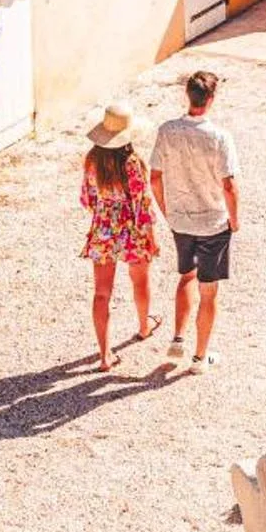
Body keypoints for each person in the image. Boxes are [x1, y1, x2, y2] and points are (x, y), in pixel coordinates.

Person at [150, 70, 239, 374]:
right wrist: (235, 220)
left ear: (187, 95)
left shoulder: (167, 131)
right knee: (209, 290)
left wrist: (167, 211)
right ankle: (200, 358)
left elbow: (155, 177)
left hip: (181, 220)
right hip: (213, 222)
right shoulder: (219, 137)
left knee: (186, 275)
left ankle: (177, 337)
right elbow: (229, 186)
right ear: (211, 99)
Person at [81, 109, 159, 369]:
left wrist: (105, 213)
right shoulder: (132, 163)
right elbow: (143, 204)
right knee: (140, 281)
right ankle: (144, 326)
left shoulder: (91, 161)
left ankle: (104, 355)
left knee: (102, 293)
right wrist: (151, 238)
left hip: (104, 227)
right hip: (132, 228)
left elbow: (87, 199)